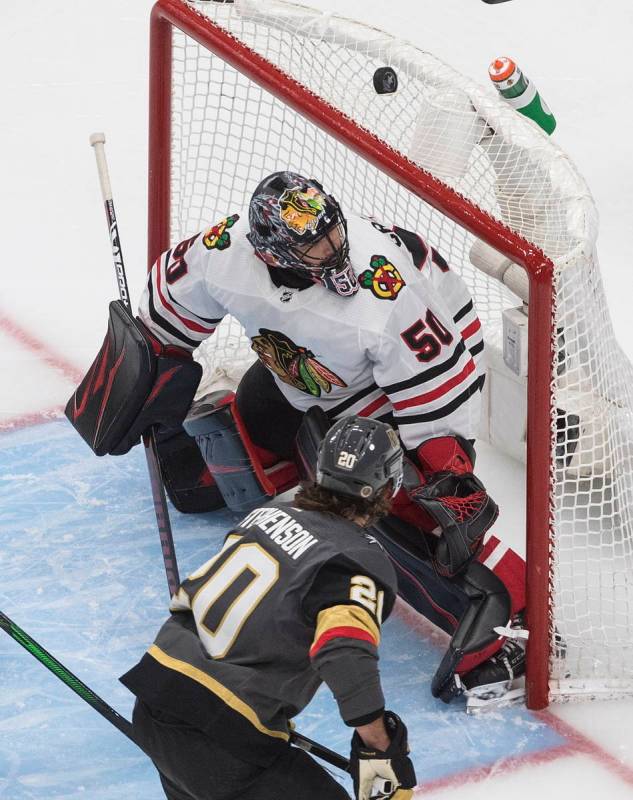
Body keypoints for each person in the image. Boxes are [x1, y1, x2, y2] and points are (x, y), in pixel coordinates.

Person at [67, 171, 526, 705]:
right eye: (315, 243)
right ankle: (242, 476)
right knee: (260, 412)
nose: (334, 249)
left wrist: (446, 471)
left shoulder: (384, 289)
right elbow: (166, 309)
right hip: (307, 372)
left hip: (419, 369)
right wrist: (149, 374)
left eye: (334, 232)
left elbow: (441, 386)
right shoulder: (226, 250)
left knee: (382, 503)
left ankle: (510, 620)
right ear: (269, 250)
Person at [120, 416, 417, 800]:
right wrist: (379, 743)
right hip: (222, 737)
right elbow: (344, 651)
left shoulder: (266, 514)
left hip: (154, 704)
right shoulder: (358, 560)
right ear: (388, 488)